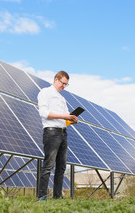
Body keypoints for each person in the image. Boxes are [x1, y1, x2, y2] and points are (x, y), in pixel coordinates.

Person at [37, 70, 78, 201]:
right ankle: (42, 197)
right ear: (56, 79)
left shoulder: (62, 99)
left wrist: (71, 119)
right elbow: (44, 112)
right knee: (48, 165)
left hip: (63, 133)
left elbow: (65, 120)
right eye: (63, 83)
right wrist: (64, 116)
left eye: (66, 85)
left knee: (61, 167)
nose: (64, 87)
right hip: (51, 133)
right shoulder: (45, 92)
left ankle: (57, 196)